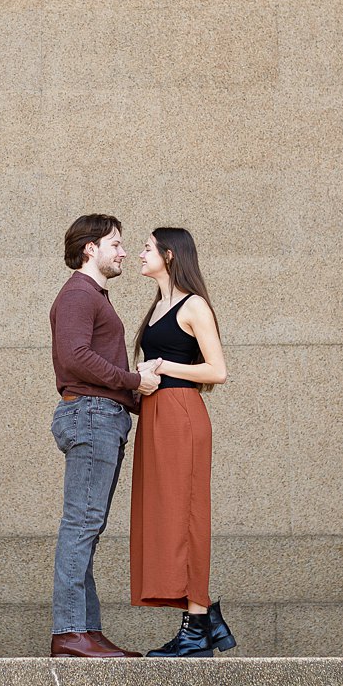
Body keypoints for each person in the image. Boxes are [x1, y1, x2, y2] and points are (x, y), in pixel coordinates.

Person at [48, 213, 160, 658]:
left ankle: (86, 632)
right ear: (90, 248)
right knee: (80, 527)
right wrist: (133, 381)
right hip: (92, 415)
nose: (124, 252)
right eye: (116, 243)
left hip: (99, 416)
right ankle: (71, 633)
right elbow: (74, 357)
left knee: (87, 528)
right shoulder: (78, 293)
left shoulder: (91, 295)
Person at [129, 226, 237, 657]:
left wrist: (164, 365)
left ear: (170, 255)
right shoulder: (158, 305)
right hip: (156, 416)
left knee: (187, 514)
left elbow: (217, 371)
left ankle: (197, 628)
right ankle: (204, 620)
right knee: (166, 516)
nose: (140, 253)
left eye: (148, 248)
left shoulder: (194, 306)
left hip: (181, 417)